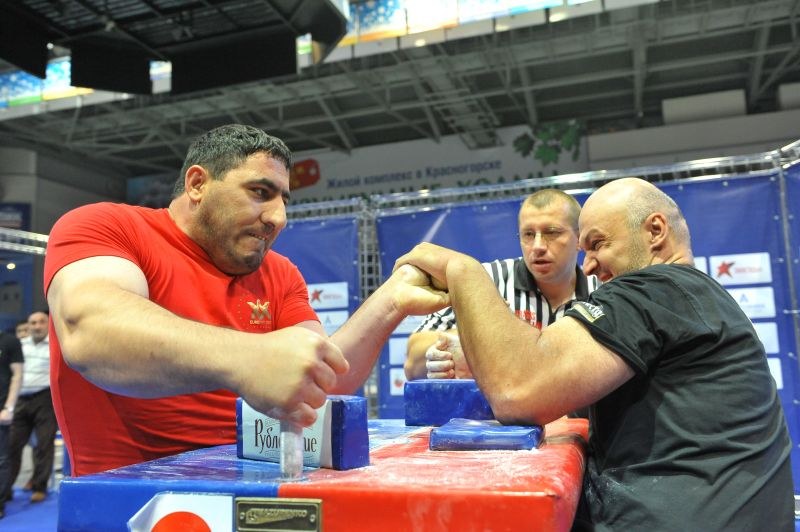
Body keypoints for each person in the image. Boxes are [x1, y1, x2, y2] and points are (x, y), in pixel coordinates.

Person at [44, 124, 447, 477]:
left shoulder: (279, 272)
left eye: (284, 200)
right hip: (130, 501)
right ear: (197, 184)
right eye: (260, 192)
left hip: (253, 489)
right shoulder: (107, 226)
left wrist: (390, 302)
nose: (278, 217)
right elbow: (90, 331)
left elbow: (320, 380)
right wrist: (249, 359)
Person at [395, 177, 794, 530]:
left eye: (598, 244)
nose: (589, 267)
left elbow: (517, 391)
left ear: (655, 231)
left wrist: (463, 272)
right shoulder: (693, 297)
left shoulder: (654, 289)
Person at [404, 189, 599, 380]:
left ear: (579, 239)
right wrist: (473, 336)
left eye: (551, 232)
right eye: (528, 234)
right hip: (493, 412)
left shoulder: (601, 290)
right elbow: (413, 360)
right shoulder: (485, 280)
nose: (538, 246)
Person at [1, 311, 57, 504]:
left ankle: (39, 486)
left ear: (47, 324)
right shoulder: (20, 345)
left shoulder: (55, 346)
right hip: (20, 399)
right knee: (11, 447)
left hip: (45, 399)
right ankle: (5, 489)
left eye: (41, 322)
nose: (37, 326)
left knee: (44, 444)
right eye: (33, 323)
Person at [0, 329, 23, 518]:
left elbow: (17, 375)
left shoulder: (10, 342)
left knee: (1, 459)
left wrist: (9, 407)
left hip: (1, 408)